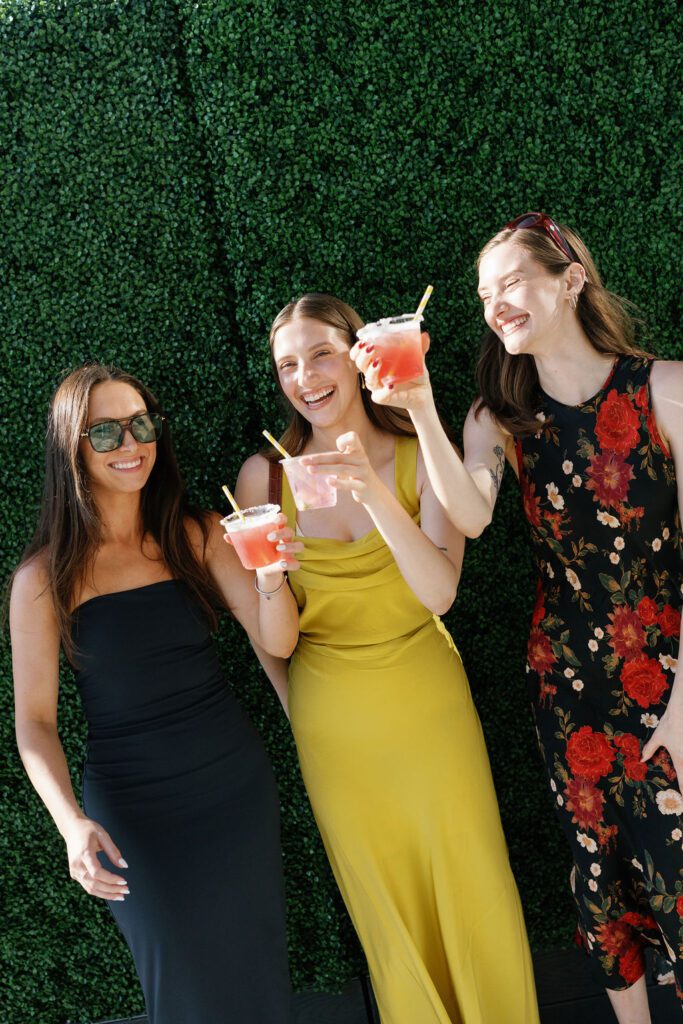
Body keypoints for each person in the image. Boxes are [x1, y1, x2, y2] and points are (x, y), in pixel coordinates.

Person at [352, 214, 683, 1022]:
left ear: (570, 279)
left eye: (509, 281)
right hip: (566, 685)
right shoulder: (492, 418)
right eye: (481, 293)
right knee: (599, 876)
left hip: (673, 675)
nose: (493, 303)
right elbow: (465, 516)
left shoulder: (665, 389)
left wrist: (682, 702)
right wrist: (423, 409)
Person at [235, 294, 540, 1024]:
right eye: (286, 365)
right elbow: (277, 640)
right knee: (386, 912)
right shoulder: (263, 479)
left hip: (427, 707)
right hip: (335, 731)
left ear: (357, 354)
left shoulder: (416, 453)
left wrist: (371, 493)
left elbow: (438, 591)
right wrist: (270, 579)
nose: (304, 377)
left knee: (472, 890)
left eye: (319, 354)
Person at [10, 364, 302, 1024]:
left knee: (257, 983)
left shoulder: (196, 535)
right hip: (133, 815)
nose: (130, 444)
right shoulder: (43, 577)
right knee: (184, 996)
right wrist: (70, 826)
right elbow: (33, 723)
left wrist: (269, 577)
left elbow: (276, 642)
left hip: (233, 792)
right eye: (105, 432)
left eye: (140, 425)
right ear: (71, 447)